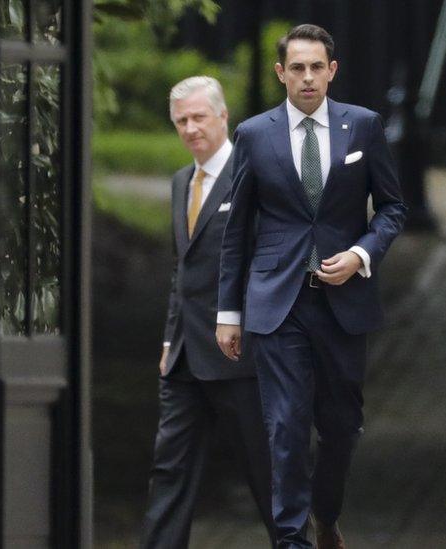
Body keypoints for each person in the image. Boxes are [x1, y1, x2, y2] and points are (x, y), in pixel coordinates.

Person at [216, 24, 407, 549]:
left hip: (344, 302)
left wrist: (362, 253)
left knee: (341, 426)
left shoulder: (363, 127)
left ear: (332, 71)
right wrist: (227, 312)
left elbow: (392, 207)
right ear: (281, 73)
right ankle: (290, 539)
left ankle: (326, 514)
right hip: (278, 302)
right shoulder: (255, 134)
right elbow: (237, 230)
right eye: (296, 68)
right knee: (286, 425)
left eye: (316, 67)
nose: (306, 77)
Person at [140, 76, 275, 549]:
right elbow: (184, 270)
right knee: (169, 469)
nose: (191, 128)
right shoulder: (182, 182)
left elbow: (271, 266)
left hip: (241, 356)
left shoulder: (255, 176)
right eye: (182, 121)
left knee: (267, 471)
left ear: (223, 117)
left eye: (200, 117)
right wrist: (166, 339)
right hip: (183, 358)